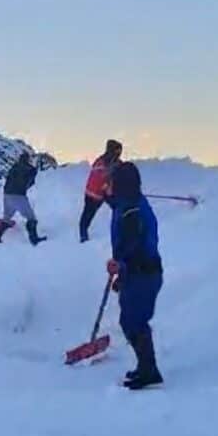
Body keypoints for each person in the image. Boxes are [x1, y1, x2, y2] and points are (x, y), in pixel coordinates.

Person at [106, 161, 164, 390]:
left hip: (144, 274)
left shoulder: (131, 210)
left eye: (111, 181)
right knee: (130, 320)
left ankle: (149, 370)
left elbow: (132, 244)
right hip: (138, 273)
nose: (107, 184)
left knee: (134, 321)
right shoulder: (128, 203)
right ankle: (145, 367)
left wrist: (118, 264)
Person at [0, 152, 46, 245]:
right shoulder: (29, 169)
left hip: (7, 195)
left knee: (7, 218)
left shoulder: (14, 167)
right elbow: (32, 180)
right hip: (18, 196)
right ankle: (34, 239)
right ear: (27, 160)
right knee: (31, 218)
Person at [80, 139, 123, 242]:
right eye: (117, 151)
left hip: (104, 194)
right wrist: (107, 186)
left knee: (119, 207)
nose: (119, 154)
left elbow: (120, 174)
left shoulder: (117, 163)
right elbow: (98, 178)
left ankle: (124, 229)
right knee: (88, 214)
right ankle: (83, 234)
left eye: (120, 152)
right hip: (92, 194)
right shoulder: (101, 162)